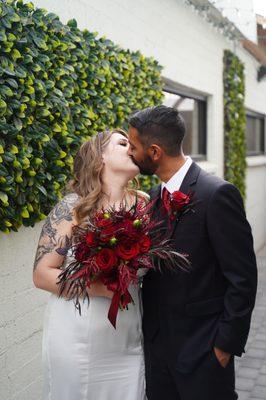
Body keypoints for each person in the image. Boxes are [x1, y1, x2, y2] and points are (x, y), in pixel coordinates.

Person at [127, 105, 257, 400]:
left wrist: (224, 346)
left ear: (155, 152)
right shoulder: (155, 198)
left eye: (134, 147)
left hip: (204, 350)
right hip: (159, 353)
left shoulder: (217, 194)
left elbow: (243, 277)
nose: (130, 154)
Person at [33, 129, 147, 400]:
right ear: (100, 158)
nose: (132, 148)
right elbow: (42, 275)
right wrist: (98, 287)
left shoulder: (144, 205)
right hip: (77, 336)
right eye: (122, 143)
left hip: (128, 335)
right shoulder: (74, 207)